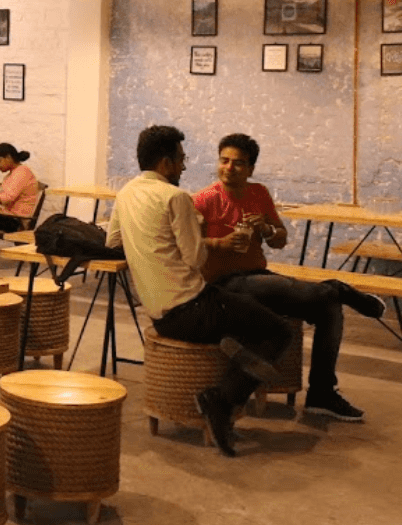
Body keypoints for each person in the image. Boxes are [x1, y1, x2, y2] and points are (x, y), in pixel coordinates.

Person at [107, 125, 291, 457]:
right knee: (278, 330)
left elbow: (113, 242)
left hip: (158, 312)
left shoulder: (125, 193)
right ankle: (220, 400)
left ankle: (235, 355)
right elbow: (195, 259)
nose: (184, 166)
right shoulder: (175, 197)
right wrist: (203, 232)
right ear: (165, 163)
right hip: (192, 307)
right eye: (181, 159)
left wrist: (148, 250)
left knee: (243, 308)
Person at [193, 133, 384, 422]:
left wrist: (267, 230)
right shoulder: (203, 200)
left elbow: (280, 240)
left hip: (258, 277)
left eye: (239, 163)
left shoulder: (259, 193)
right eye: (224, 161)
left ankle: (321, 394)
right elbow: (186, 245)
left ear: (251, 169)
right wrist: (220, 244)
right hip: (226, 285)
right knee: (327, 294)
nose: (229, 168)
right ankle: (343, 290)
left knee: (328, 306)